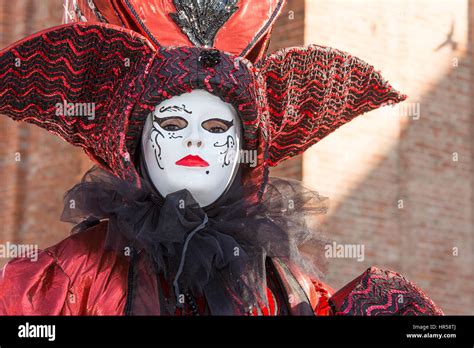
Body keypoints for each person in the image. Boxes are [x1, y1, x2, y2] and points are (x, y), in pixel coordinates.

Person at [0, 1, 442, 316]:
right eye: (173, 125)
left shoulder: (280, 284)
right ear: (133, 141)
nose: (195, 142)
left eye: (216, 129)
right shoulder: (65, 279)